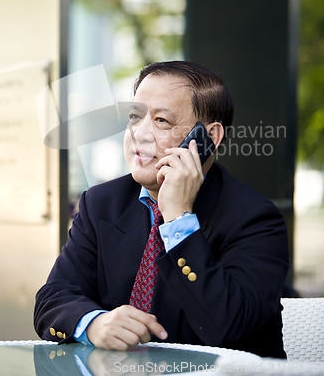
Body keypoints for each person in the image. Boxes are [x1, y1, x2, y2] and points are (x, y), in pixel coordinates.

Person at [34, 61, 289, 358]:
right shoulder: (101, 203)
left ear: (209, 138)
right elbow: (53, 299)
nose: (139, 135)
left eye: (161, 121)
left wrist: (179, 218)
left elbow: (230, 327)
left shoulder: (255, 218)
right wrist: (94, 323)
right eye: (134, 117)